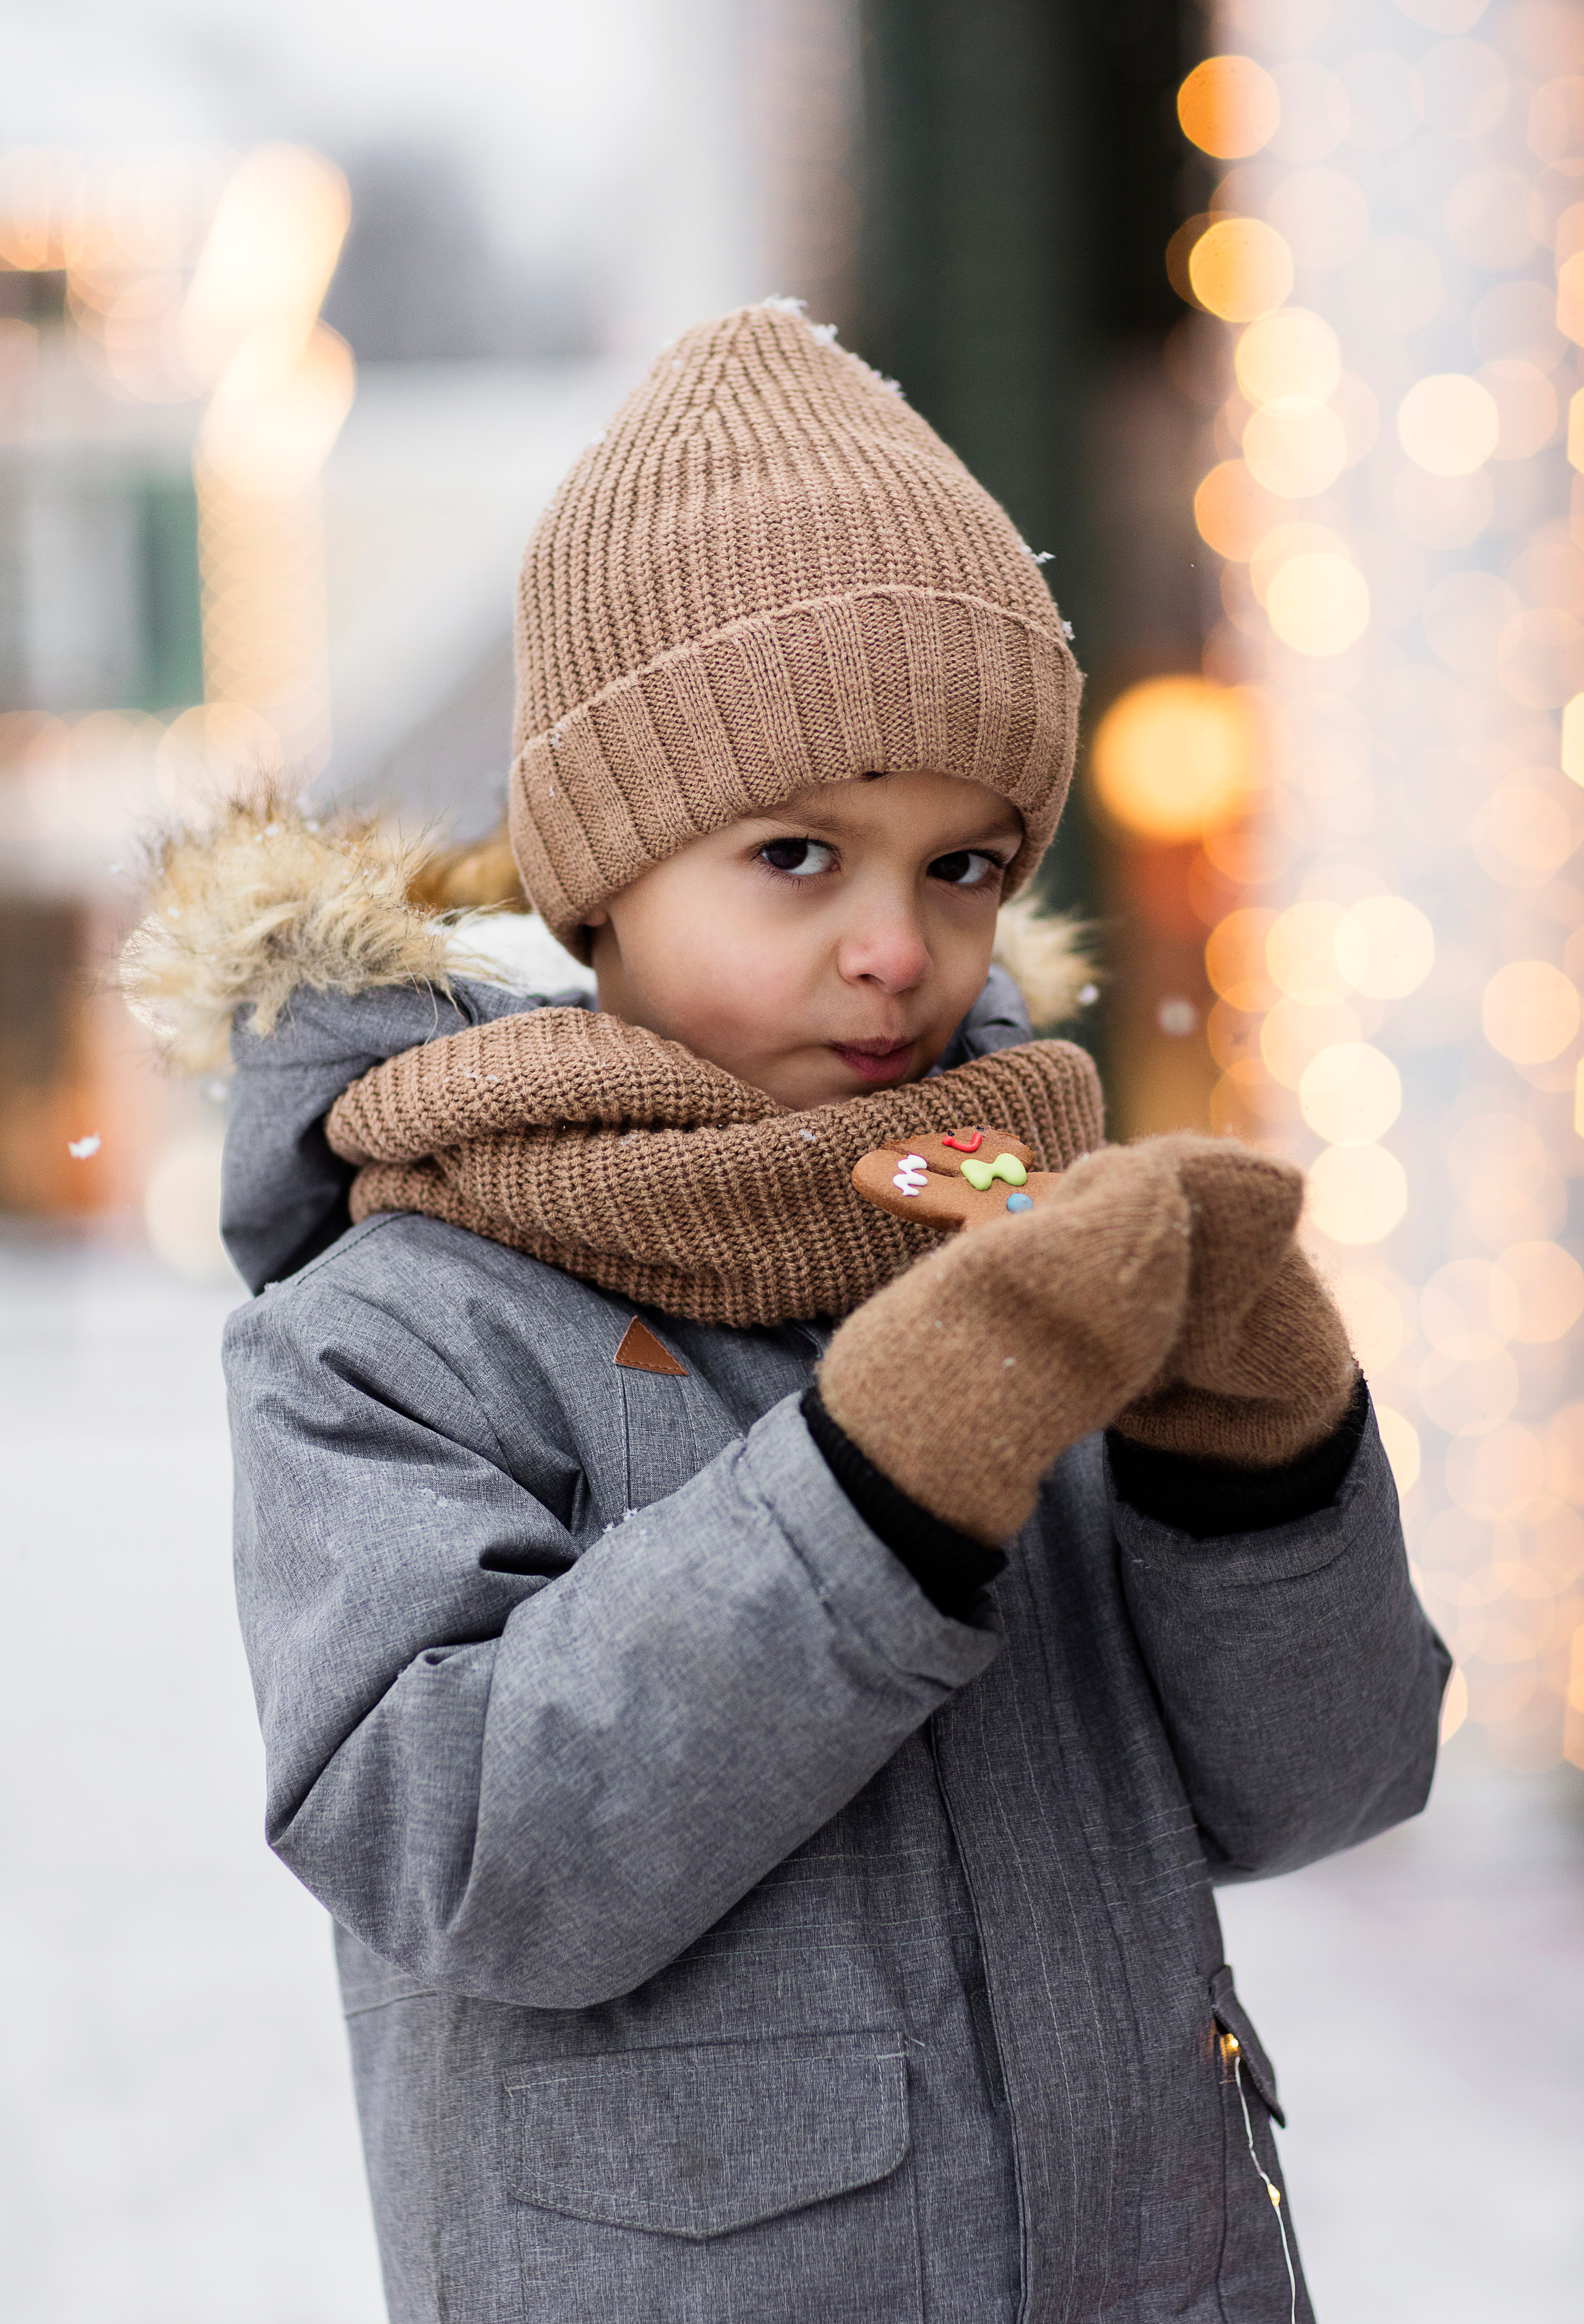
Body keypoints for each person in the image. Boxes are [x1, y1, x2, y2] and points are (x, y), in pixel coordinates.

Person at [126, 301, 1448, 2324]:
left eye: (965, 863)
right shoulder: (392, 1326)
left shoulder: (1015, 1240)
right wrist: (877, 1473)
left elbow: (1320, 1785)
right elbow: (468, 1849)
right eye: (797, 853)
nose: (893, 950)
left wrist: (1258, 1460)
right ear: (602, 886)